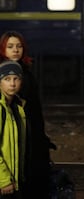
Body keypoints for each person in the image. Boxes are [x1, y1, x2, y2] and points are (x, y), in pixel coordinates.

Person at [0, 31, 55, 199]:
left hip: (30, 135)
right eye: (10, 47)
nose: (15, 50)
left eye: (19, 46)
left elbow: (35, 110)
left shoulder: (27, 74)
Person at [0, 60, 26, 198]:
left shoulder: (17, 107)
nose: (12, 83)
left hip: (13, 181)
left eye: (16, 78)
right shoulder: (0, 108)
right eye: (6, 79)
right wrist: (3, 180)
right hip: (3, 183)